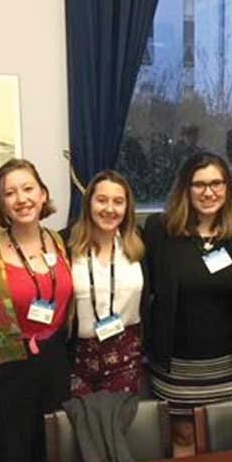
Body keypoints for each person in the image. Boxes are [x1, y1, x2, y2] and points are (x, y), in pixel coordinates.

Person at [0, 159, 72, 462]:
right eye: (10, 193)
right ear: (0, 205)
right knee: (15, 454)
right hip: (11, 369)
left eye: (28, 189)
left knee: (54, 449)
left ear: (43, 194)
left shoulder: (58, 241)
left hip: (56, 361)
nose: (21, 199)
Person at [143, 151, 232, 451]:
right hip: (178, 364)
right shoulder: (159, 230)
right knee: (183, 438)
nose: (209, 192)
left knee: (228, 441)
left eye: (217, 183)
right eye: (199, 184)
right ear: (186, 188)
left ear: (228, 187)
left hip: (231, 364)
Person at [67, 170, 146, 396]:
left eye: (118, 202)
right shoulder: (66, 244)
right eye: (101, 200)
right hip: (78, 358)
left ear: (127, 207)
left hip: (126, 354)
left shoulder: (139, 244)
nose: (109, 209)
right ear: (88, 202)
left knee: (118, 426)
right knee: (82, 427)